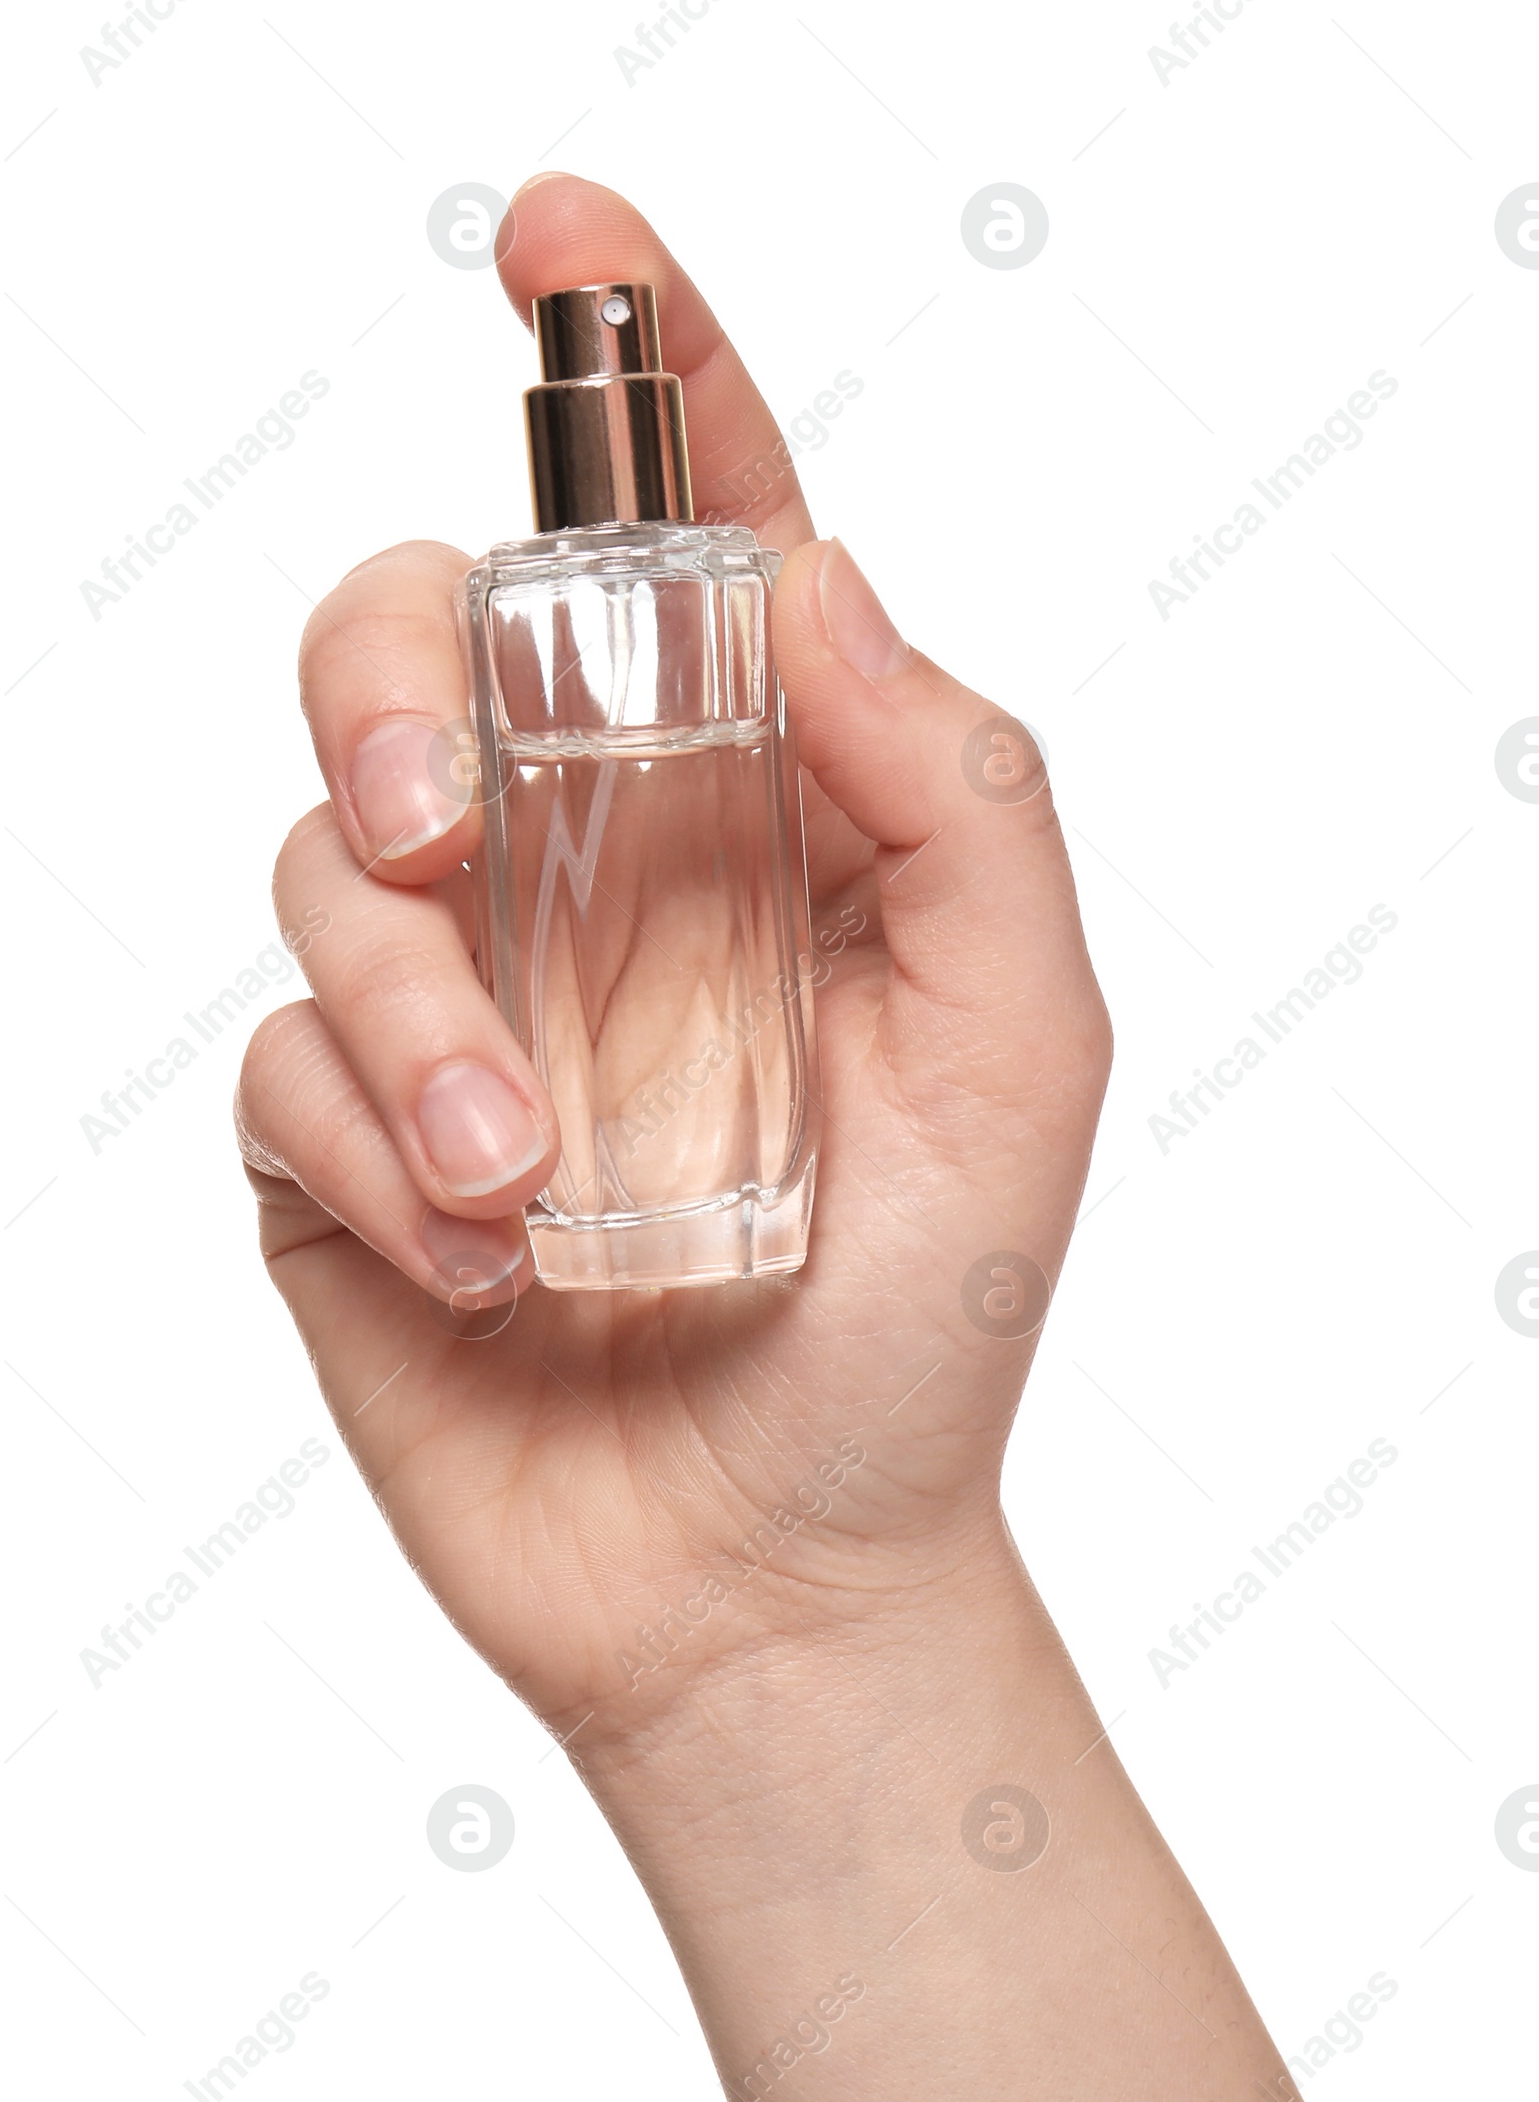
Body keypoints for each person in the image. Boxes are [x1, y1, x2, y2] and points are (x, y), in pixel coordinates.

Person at [235, 172, 1296, 2100]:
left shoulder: (723, 601)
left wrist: (824, 1618)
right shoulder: (525, 606)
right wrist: (780, 1645)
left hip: (760, 1221)